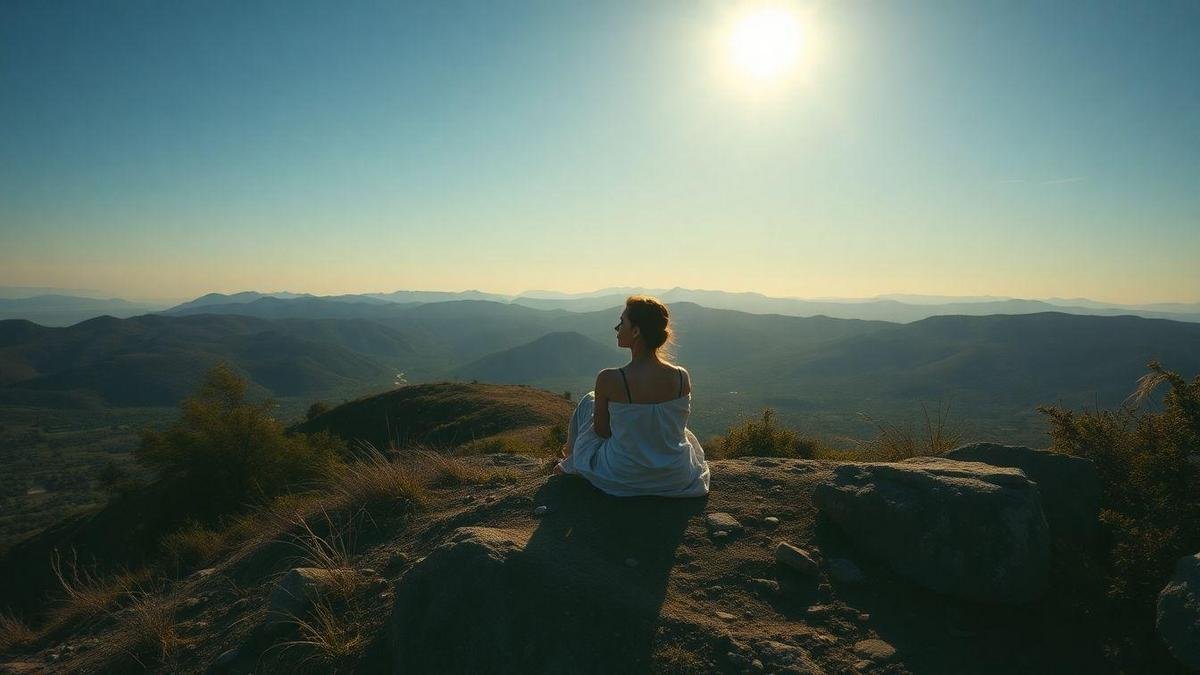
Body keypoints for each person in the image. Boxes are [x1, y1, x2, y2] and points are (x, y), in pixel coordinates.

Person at [556, 295, 710, 497]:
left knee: (589, 400)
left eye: (622, 322)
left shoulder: (609, 379)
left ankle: (570, 458)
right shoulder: (682, 376)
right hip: (675, 475)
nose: (617, 328)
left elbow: (602, 432)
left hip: (623, 475)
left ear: (636, 331)